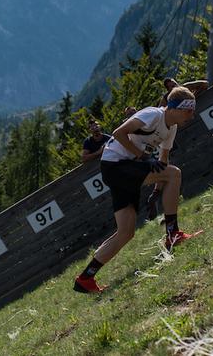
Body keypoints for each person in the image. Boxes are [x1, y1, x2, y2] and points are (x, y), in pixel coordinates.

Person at [73, 87, 199, 294]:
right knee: (175, 174)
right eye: (189, 111)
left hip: (127, 168)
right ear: (175, 108)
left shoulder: (171, 127)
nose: (191, 116)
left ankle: (85, 279)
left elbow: (162, 160)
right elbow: (118, 133)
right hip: (116, 166)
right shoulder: (152, 114)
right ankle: (173, 234)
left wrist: (158, 190)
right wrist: (143, 157)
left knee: (126, 232)